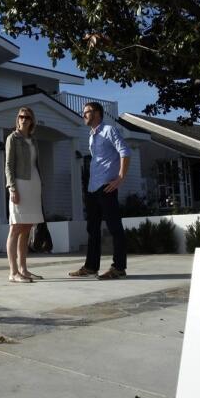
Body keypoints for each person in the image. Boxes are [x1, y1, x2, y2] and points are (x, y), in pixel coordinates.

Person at [70, 102, 130, 280]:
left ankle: (119, 268)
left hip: (107, 186)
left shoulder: (109, 130)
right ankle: (91, 267)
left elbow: (125, 152)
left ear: (97, 113)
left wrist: (120, 177)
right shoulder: (91, 136)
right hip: (93, 188)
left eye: (86, 112)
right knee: (92, 229)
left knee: (114, 227)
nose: (84, 115)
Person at [4, 107, 45, 283]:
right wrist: (12, 187)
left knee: (27, 229)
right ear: (17, 119)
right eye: (21, 117)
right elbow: (8, 165)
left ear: (32, 121)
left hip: (34, 185)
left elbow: (36, 164)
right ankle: (13, 272)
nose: (23, 119)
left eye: (27, 117)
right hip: (19, 184)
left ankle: (24, 269)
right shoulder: (12, 138)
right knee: (15, 228)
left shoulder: (33, 140)